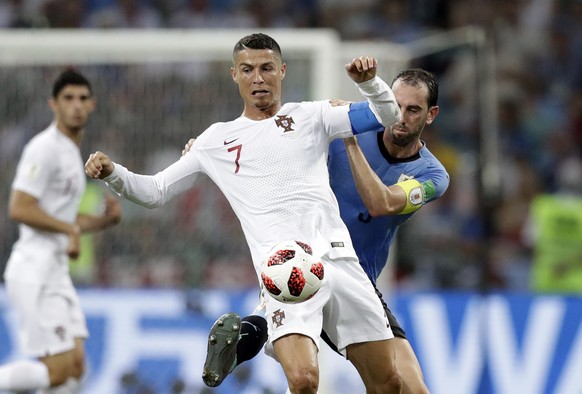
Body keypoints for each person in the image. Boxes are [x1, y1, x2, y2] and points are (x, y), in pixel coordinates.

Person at [84, 33, 403, 394]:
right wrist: (114, 173)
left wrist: (370, 83)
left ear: (282, 71)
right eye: (247, 69)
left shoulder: (312, 115)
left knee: (389, 383)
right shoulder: (214, 141)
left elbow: (387, 115)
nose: (258, 78)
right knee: (303, 381)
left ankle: (248, 335)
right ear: (234, 75)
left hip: (340, 261)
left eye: (267, 68)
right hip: (286, 272)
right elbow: (155, 191)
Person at [198, 68, 449, 394]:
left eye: (413, 110)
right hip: (307, 260)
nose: (400, 117)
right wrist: (208, 148)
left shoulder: (432, 174)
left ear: (431, 115)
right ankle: (255, 328)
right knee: (304, 374)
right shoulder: (343, 129)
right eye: (396, 105)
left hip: (359, 279)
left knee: (408, 389)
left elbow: (381, 203)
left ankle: (250, 333)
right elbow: (274, 146)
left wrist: (349, 137)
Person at [0, 69, 122, 393]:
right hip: (34, 270)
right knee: (57, 372)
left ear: (92, 104)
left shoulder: (71, 152)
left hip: (55, 272)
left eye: (83, 98)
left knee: (76, 368)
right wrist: (68, 229)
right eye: (68, 98)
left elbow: (64, 221)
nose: (76, 106)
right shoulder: (44, 148)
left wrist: (104, 221)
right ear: (53, 104)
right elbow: (20, 207)